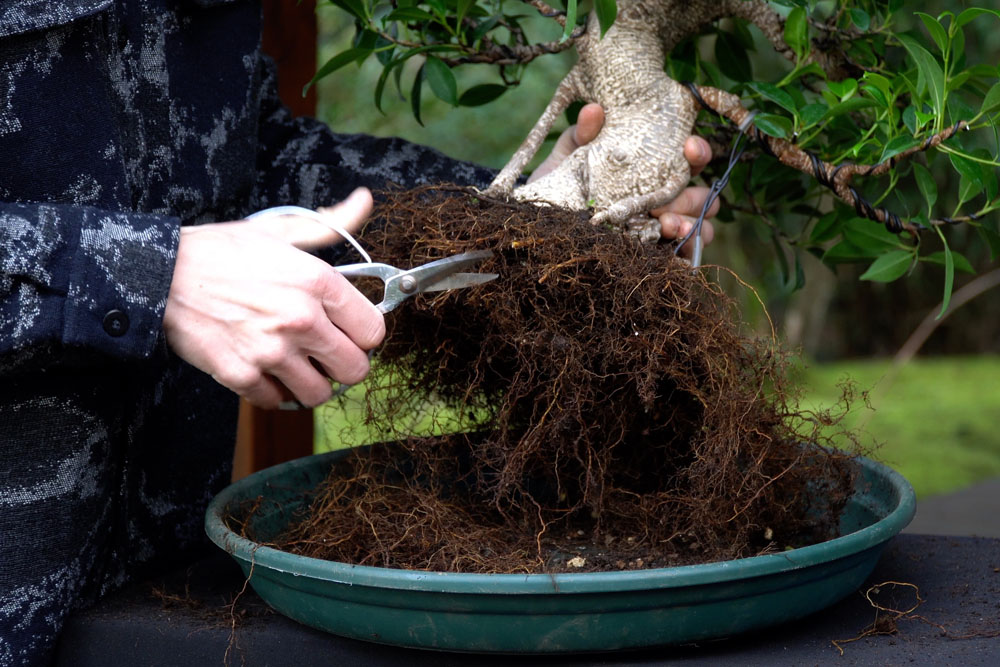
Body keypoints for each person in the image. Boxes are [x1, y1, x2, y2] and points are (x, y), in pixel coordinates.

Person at [0, 2, 716, 664]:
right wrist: (152, 275)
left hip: (170, 601)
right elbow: (166, 250)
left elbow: (248, 160)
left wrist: (526, 218)